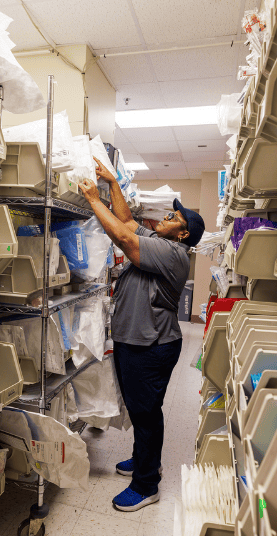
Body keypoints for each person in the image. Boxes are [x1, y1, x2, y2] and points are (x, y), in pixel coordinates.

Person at [79, 158, 204, 511]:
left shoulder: (174, 254)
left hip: (150, 345)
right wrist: (113, 183)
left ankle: (147, 484)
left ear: (182, 234)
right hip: (139, 340)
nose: (165, 218)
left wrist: (93, 200)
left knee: (146, 412)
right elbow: (128, 222)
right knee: (141, 408)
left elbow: (120, 235)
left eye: (174, 218)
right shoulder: (158, 240)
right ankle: (145, 461)